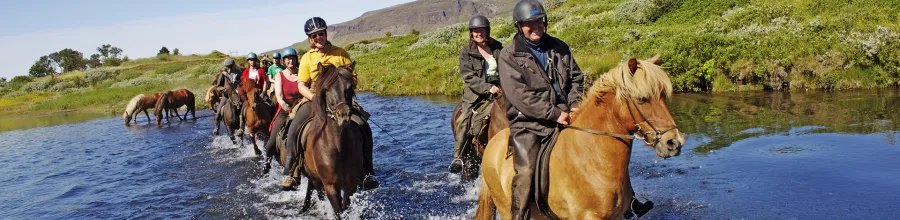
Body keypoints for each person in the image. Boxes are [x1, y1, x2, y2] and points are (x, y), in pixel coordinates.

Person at [499, 1, 654, 219]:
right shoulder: (509, 56)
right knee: (526, 171)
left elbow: (576, 79)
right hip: (530, 123)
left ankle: (627, 200)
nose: (534, 27)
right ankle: (520, 214)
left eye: (538, 22)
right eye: (528, 23)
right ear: (519, 26)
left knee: (608, 150)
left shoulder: (560, 47)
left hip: (568, 114)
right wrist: (555, 114)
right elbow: (521, 96)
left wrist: (574, 106)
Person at [296, 16, 379, 190]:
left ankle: (368, 172)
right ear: (310, 39)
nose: (318, 38)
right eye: (314, 36)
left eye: (320, 34)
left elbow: (352, 78)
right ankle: (292, 170)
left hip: (340, 100)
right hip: (314, 100)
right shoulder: (306, 58)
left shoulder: (341, 54)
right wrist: (314, 97)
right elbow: (301, 84)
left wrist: (347, 90)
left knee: (363, 126)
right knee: (294, 126)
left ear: (325, 34)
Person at [449, 15, 503, 173]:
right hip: (476, 94)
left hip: (500, 90)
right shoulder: (466, 53)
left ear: (487, 31)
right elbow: (469, 77)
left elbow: (507, 66)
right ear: (471, 33)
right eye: (475, 31)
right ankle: (459, 156)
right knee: (465, 119)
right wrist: (488, 88)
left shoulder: (497, 47)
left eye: (481, 30)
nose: (478, 33)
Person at [265, 48, 305, 190]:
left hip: (302, 107)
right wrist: (285, 106)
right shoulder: (280, 75)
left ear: (296, 59)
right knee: (271, 141)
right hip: (286, 109)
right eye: (287, 59)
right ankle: (268, 161)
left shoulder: (302, 72)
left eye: (292, 58)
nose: (290, 61)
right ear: (284, 61)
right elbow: (279, 96)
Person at [212, 58, 243, 135]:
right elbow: (218, 86)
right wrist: (224, 90)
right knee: (219, 112)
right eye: (228, 67)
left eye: (231, 67)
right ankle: (217, 127)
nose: (230, 68)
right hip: (226, 96)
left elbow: (241, 84)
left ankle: (242, 128)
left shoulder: (237, 74)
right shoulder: (223, 74)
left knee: (243, 109)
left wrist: (238, 90)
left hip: (236, 95)